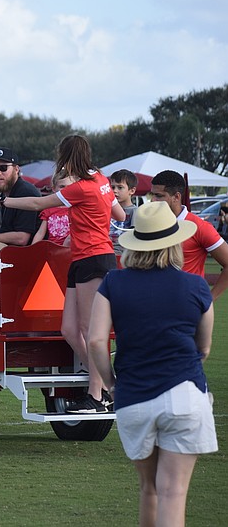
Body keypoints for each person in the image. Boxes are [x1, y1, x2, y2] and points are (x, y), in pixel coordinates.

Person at [88, 201, 217, 527]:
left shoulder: (113, 283)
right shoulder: (196, 285)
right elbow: (203, 347)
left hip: (134, 396)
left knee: (149, 489)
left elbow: (95, 341)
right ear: (174, 242)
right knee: (173, 492)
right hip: (185, 392)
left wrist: (112, 383)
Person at [0, 135, 126, 412]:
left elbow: (39, 204)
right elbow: (119, 215)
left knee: (88, 330)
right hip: (84, 258)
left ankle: (98, 395)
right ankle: (109, 384)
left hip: (94, 258)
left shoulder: (82, 187)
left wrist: (1, 202)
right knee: (70, 330)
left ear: (66, 156)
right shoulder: (101, 180)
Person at [149, 169, 228, 300]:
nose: (152, 200)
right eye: (152, 194)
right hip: (154, 304)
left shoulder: (200, 227)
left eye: (159, 195)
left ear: (176, 197)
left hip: (188, 307)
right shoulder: (149, 225)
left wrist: (209, 300)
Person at [0, 148, 41, 247]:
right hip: (6, 250)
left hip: (24, 254)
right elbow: (1, 230)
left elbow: (21, 239)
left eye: (3, 168)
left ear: (16, 169)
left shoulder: (26, 192)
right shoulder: (2, 195)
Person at [31, 174, 75, 245]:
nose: (66, 190)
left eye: (69, 187)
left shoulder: (75, 209)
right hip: (52, 248)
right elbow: (40, 233)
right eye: (62, 186)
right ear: (54, 188)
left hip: (71, 248)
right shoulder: (49, 210)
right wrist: (32, 248)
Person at [108, 169, 138, 255]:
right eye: (112, 187)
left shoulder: (135, 211)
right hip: (107, 252)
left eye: (120, 187)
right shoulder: (107, 209)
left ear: (132, 191)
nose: (115, 190)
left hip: (124, 254)